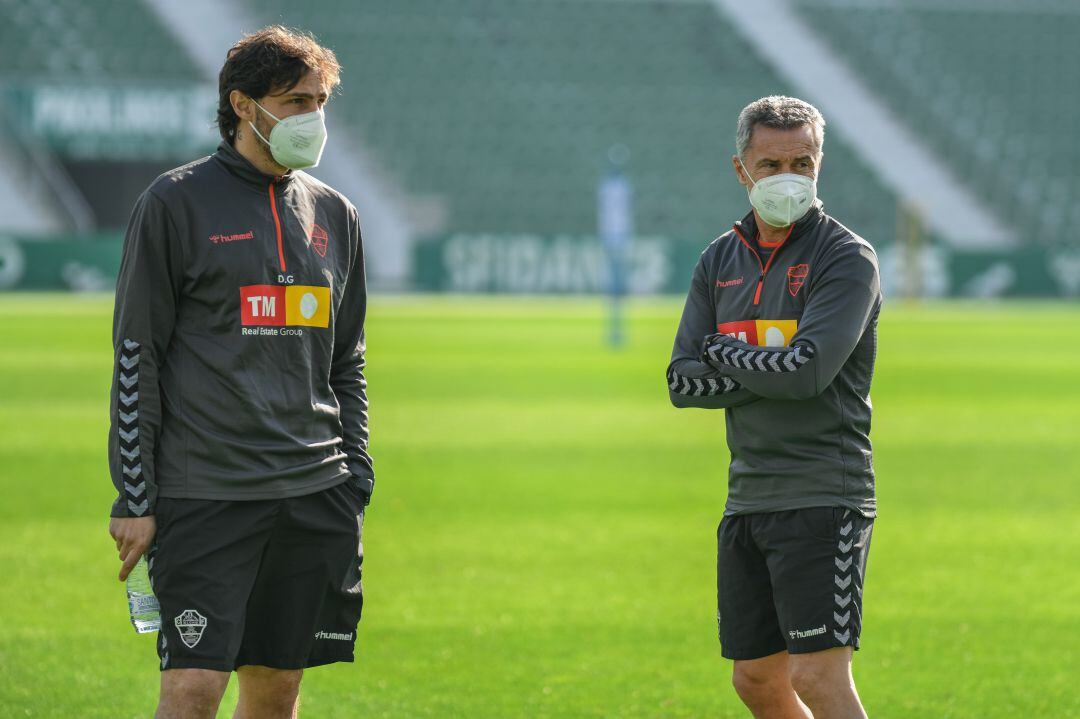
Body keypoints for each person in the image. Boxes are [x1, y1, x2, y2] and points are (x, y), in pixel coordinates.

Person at [106, 26, 373, 719]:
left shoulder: (337, 215)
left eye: (319, 101)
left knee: (277, 691)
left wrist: (357, 473)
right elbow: (138, 354)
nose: (311, 118)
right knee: (192, 692)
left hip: (314, 493)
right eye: (293, 101)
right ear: (243, 105)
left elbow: (348, 360)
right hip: (209, 497)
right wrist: (135, 495)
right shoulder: (174, 202)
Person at [667, 95, 881, 719]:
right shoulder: (719, 258)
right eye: (771, 165)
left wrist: (723, 349)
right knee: (756, 680)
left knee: (817, 674)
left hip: (824, 490)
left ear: (820, 166)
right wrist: (775, 362)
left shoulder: (846, 257)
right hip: (749, 495)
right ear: (741, 170)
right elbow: (682, 382)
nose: (788, 176)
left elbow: (810, 372)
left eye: (803, 162)